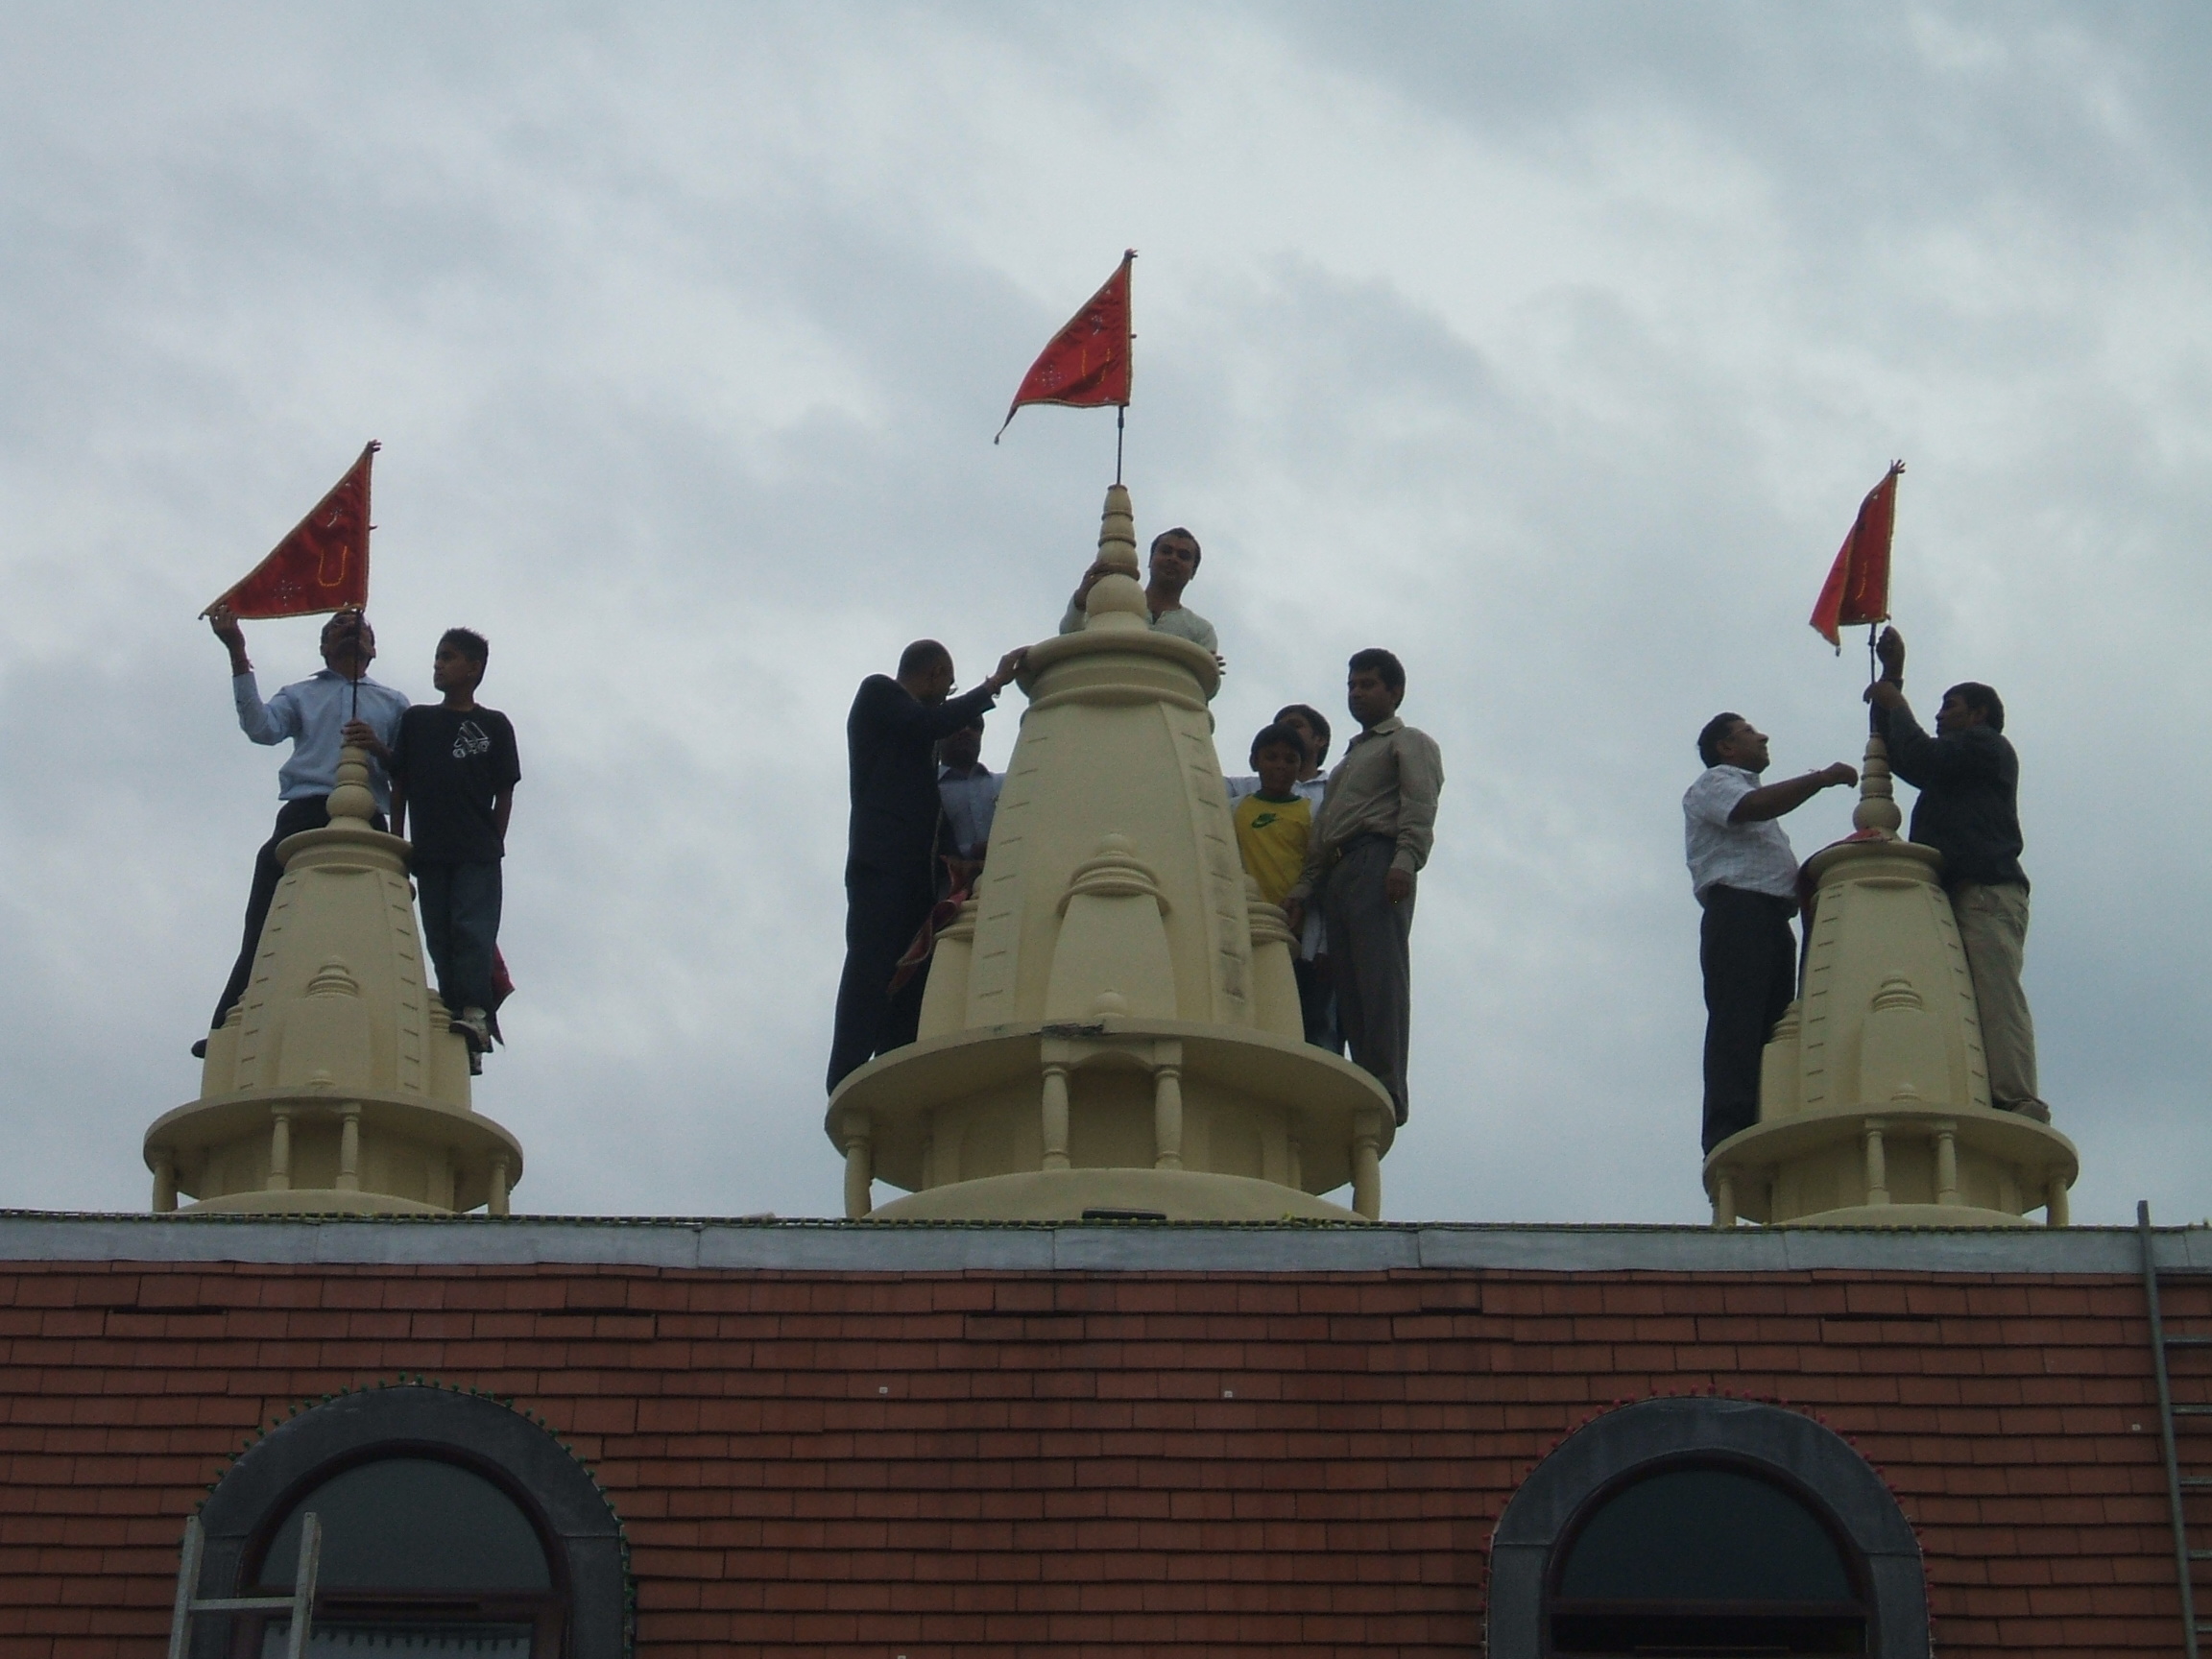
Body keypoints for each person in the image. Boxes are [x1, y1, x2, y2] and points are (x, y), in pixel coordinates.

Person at [198, 604, 409, 1056]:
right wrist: (238, 653)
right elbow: (261, 727)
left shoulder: (392, 704)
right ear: (323, 646)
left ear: (374, 647)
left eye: (359, 627)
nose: (350, 631)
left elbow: (408, 771)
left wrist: (378, 749)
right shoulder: (301, 694)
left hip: (366, 814)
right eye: (338, 626)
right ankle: (228, 1025)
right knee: (267, 921)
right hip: (306, 809)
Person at [1865, 627, 2050, 1122]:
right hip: (1961, 891)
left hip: (1986, 889)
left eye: (1950, 706)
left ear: (1978, 714)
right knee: (1958, 995)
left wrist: (1895, 698)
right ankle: (1983, 1091)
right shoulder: (1956, 766)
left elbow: (1921, 757)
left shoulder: (1987, 747)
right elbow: (1898, 751)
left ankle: (2016, 1096)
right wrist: (1891, 680)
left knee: (1994, 993)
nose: (1940, 714)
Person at [830, 638, 1028, 1093]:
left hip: (917, 882)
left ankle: (893, 1064)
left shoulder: (917, 743)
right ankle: (846, 1075)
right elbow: (927, 721)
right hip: (880, 868)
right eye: (948, 686)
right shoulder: (879, 694)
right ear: (936, 674)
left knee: (909, 975)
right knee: (871, 966)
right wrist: (993, 685)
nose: (946, 696)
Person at [1683, 713, 1858, 1154]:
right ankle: (1730, 1128)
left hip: (1770, 920)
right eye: (1748, 732)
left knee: (1778, 1026)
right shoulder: (1716, 783)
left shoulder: (1751, 798)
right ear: (1725, 748)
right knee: (1738, 1022)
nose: (1762, 737)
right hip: (1738, 912)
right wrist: (1820, 779)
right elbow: (1751, 809)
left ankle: (1766, 1114)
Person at [1284, 650, 1444, 1124]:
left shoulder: (1408, 741)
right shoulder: (1349, 762)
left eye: (1369, 684)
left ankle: (1387, 1090)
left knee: (1380, 978)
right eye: (1352, 684)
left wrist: (1405, 860)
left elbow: (1420, 803)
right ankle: (1359, 1088)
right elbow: (1325, 831)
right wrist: (1305, 887)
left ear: (1394, 692)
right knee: (1347, 987)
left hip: (1378, 859)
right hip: (1337, 870)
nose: (1357, 693)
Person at [388, 629, 519, 1071]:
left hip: (477, 848)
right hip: (429, 849)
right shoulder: (418, 721)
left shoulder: (495, 725)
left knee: (472, 929)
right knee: (440, 936)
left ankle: (477, 1015)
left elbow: (505, 790)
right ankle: (457, 1025)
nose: (438, 665)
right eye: (436, 657)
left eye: (448, 657)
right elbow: (400, 784)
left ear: (473, 667)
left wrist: (495, 842)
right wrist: (396, 840)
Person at [1059, 526, 1220, 674]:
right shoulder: (1115, 607)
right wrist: (1081, 599)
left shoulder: (1200, 630)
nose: (1173, 559)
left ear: (1193, 572)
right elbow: (1069, 637)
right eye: (1166, 551)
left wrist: (1206, 667)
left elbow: (1207, 686)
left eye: (1183, 556)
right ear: (1150, 561)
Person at [1233, 723, 1313, 909]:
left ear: (1300, 766)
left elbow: (1316, 867)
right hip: (1249, 916)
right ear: (1254, 762)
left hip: (1294, 918)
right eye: (1271, 757)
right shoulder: (1234, 810)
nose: (1280, 766)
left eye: (1290, 760)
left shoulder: (1312, 812)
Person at [936, 719, 1002, 865]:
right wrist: (970, 851)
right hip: (945, 884)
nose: (966, 730)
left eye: (975, 726)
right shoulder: (924, 793)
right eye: (956, 724)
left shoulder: (1007, 784)